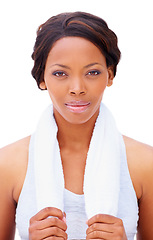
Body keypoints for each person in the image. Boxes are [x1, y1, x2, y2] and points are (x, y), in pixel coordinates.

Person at [0, 11, 153, 240]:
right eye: (60, 73)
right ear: (42, 78)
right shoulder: (8, 164)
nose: (77, 88)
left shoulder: (144, 163)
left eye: (92, 72)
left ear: (109, 76)